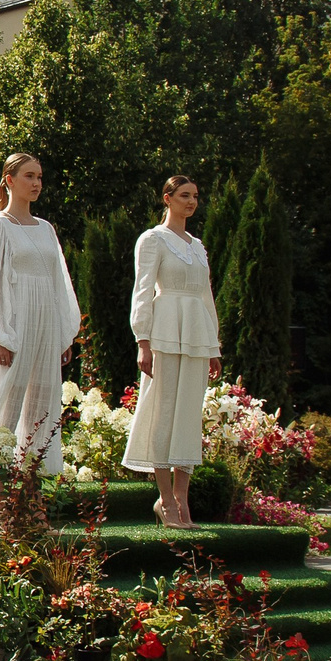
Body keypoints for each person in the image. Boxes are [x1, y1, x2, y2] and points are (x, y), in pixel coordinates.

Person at [0, 153, 79, 481]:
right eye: (29, 176)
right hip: (15, 329)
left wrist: (64, 333)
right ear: (10, 180)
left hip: (46, 327)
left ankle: (31, 498)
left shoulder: (46, 229)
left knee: (41, 408)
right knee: (5, 408)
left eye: (39, 177)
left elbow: (59, 282)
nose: (36, 183)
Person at [123, 174, 221, 528]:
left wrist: (213, 345)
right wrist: (143, 341)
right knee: (164, 412)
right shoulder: (153, 240)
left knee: (188, 417)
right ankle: (166, 501)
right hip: (164, 334)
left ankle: (183, 499)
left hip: (196, 336)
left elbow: (206, 294)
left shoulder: (197, 245)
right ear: (167, 198)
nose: (191, 202)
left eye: (195, 195)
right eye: (184, 195)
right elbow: (143, 290)